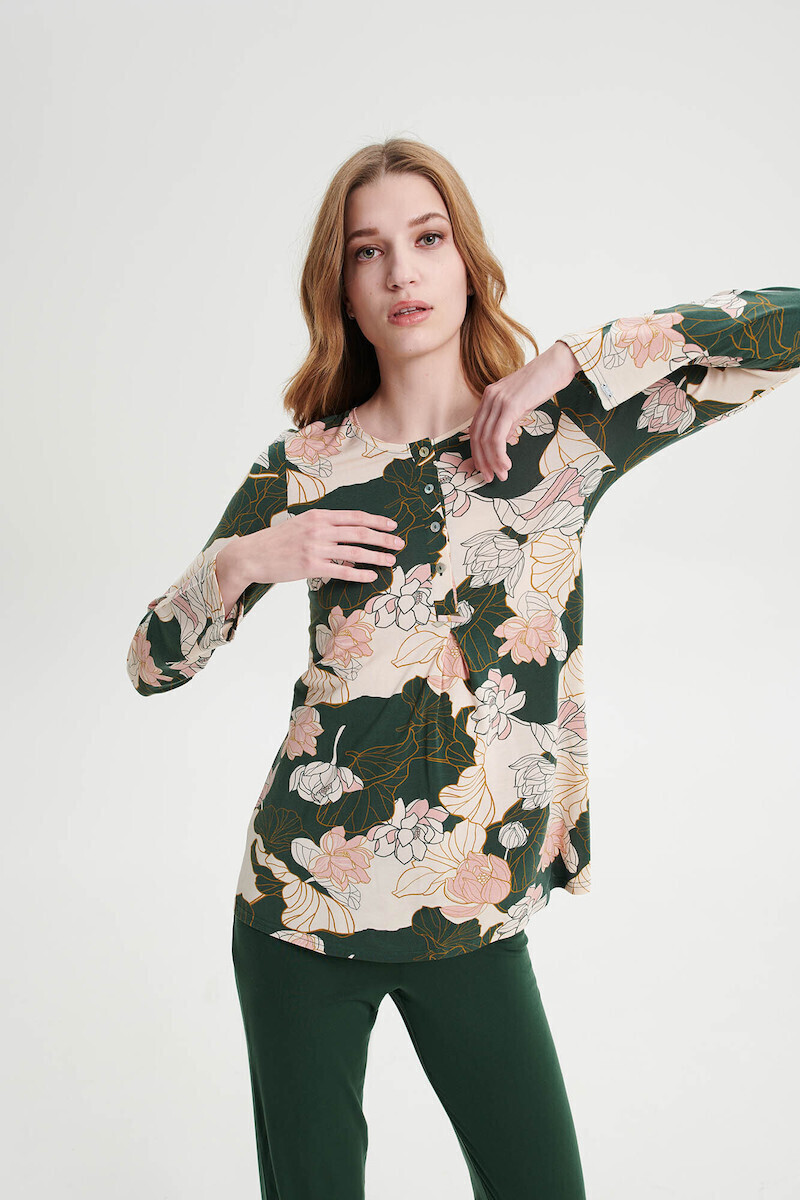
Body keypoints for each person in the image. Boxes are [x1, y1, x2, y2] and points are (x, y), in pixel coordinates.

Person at [126, 137, 800, 1200]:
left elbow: (786, 327)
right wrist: (245, 560)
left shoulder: (565, 436)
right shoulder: (299, 468)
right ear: (343, 290)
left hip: (473, 912)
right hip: (299, 910)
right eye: (368, 251)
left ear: (466, 262)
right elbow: (150, 665)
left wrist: (571, 358)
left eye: (427, 239)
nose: (401, 271)